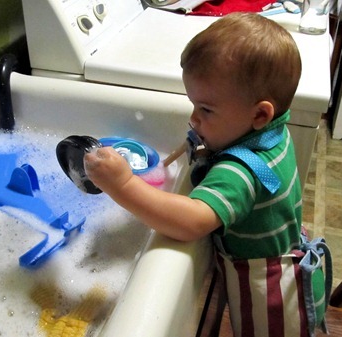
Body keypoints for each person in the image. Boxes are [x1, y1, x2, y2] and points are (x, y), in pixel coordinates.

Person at [84, 12, 328, 337]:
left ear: (259, 114)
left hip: (268, 299)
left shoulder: (240, 172)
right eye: (194, 105)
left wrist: (122, 184)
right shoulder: (273, 132)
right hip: (283, 260)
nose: (193, 118)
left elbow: (192, 223)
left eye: (206, 109)